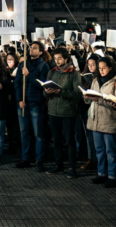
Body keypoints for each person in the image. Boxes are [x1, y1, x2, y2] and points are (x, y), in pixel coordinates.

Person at [83, 56, 116, 188]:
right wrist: (87, 97)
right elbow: (91, 100)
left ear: (111, 68)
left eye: (104, 68)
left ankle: (112, 176)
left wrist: (98, 99)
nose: (101, 70)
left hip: (108, 119)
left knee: (111, 151)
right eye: (99, 68)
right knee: (99, 149)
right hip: (95, 119)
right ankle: (101, 173)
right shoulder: (95, 80)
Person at [43, 47, 82, 178]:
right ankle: (59, 165)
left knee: (70, 140)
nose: (57, 61)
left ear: (66, 59)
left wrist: (61, 92)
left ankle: (72, 167)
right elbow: (44, 91)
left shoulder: (73, 73)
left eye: (59, 58)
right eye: (55, 58)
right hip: (53, 111)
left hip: (68, 112)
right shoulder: (51, 72)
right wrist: (46, 92)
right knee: (56, 140)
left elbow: (77, 94)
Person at [14, 41, 50, 169]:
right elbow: (17, 83)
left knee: (38, 133)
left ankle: (39, 159)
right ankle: (25, 158)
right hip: (23, 103)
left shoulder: (43, 66)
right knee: (24, 132)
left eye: (35, 48)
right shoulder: (23, 64)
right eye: (30, 47)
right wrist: (19, 100)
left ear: (40, 52)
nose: (31, 50)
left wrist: (29, 75)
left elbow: (41, 85)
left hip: (36, 103)